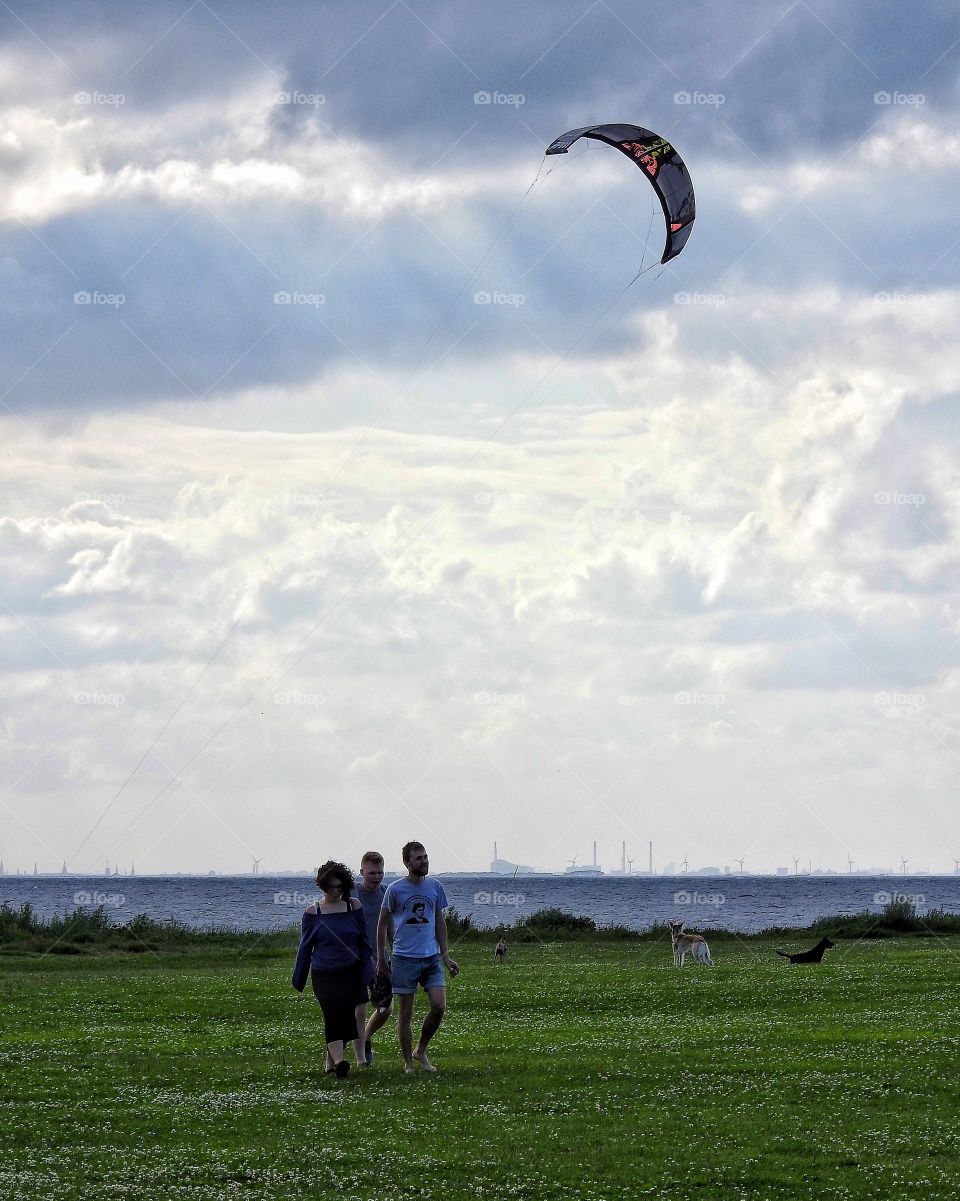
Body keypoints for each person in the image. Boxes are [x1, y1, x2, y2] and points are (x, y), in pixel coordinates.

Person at [376, 841, 459, 1073]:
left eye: (425, 856)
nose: (424, 861)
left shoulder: (435, 886)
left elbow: (439, 922)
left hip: (431, 958)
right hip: (404, 959)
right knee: (405, 1013)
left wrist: (446, 956)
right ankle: (408, 1063)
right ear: (407, 863)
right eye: (418, 858)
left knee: (439, 1006)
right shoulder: (395, 890)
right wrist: (382, 958)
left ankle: (420, 1049)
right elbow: (381, 925)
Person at [292, 861, 373, 1079]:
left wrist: (369, 969)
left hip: (351, 971)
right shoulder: (312, 912)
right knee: (332, 1014)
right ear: (322, 886)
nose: (335, 891)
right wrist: (298, 978)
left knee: (346, 1016)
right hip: (324, 973)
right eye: (331, 887)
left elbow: (364, 941)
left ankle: (330, 1064)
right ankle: (339, 1062)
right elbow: (305, 947)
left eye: (339, 887)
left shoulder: (353, 906)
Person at [354, 850, 394, 1066]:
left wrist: (395, 951)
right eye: (372, 873)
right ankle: (360, 1056)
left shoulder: (387, 893)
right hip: (357, 960)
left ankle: (366, 1038)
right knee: (358, 1008)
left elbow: (390, 927)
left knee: (385, 1008)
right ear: (362, 872)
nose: (377, 877)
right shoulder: (352, 894)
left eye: (380, 873)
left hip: (381, 959)